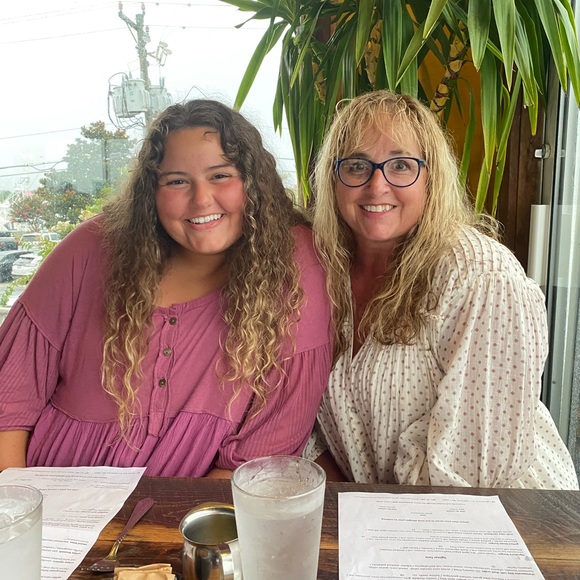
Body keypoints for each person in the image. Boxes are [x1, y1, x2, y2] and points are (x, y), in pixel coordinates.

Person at [0, 99, 332, 477]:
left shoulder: (294, 266)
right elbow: (8, 403)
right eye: (176, 181)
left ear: (254, 183)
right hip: (43, 495)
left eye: (220, 175)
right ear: (151, 193)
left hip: (196, 509)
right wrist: (21, 506)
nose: (201, 199)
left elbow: (259, 458)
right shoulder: (91, 249)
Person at [308, 89, 578, 489]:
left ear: (431, 177)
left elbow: (472, 477)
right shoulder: (319, 271)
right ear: (334, 178)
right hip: (376, 512)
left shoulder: (482, 277)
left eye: (401, 165)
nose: (376, 186)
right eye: (357, 165)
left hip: (505, 516)